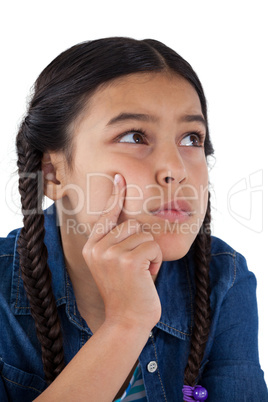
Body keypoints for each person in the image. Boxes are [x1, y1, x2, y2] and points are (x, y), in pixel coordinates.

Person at [0, 37, 267, 402]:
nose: (175, 169)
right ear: (53, 173)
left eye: (192, 138)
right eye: (134, 136)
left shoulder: (225, 278)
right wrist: (126, 325)